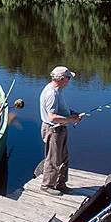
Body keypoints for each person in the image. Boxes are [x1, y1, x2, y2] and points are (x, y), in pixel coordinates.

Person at [39, 66, 84, 196]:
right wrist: (71, 120)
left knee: (64, 157)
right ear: (62, 79)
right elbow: (52, 117)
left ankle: (60, 184)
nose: (69, 81)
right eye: (68, 78)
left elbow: (61, 109)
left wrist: (72, 113)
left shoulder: (57, 90)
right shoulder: (51, 93)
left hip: (60, 128)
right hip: (53, 130)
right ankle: (47, 185)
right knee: (53, 159)